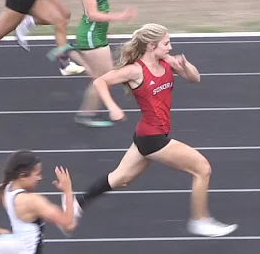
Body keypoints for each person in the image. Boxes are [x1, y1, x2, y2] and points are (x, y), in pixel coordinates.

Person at [71, 23, 238, 237]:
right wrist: (113, 107)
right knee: (202, 168)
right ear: (151, 46)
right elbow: (101, 82)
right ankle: (200, 220)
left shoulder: (167, 61)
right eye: (166, 43)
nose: (170, 47)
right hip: (153, 137)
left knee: (120, 179)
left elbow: (195, 78)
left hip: (146, 134)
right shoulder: (135, 70)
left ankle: (76, 204)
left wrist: (184, 66)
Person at [60, 0, 137, 127]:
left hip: (99, 34)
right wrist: (120, 17)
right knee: (104, 79)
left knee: (100, 78)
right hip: (91, 35)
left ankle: (71, 54)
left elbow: (103, 6)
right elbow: (93, 14)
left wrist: (108, 29)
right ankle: (86, 114)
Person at [0, 150, 82, 254]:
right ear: (23, 175)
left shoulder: (5, 190)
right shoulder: (32, 202)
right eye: (37, 174)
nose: (40, 178)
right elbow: (68, 225)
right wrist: (68, 190)